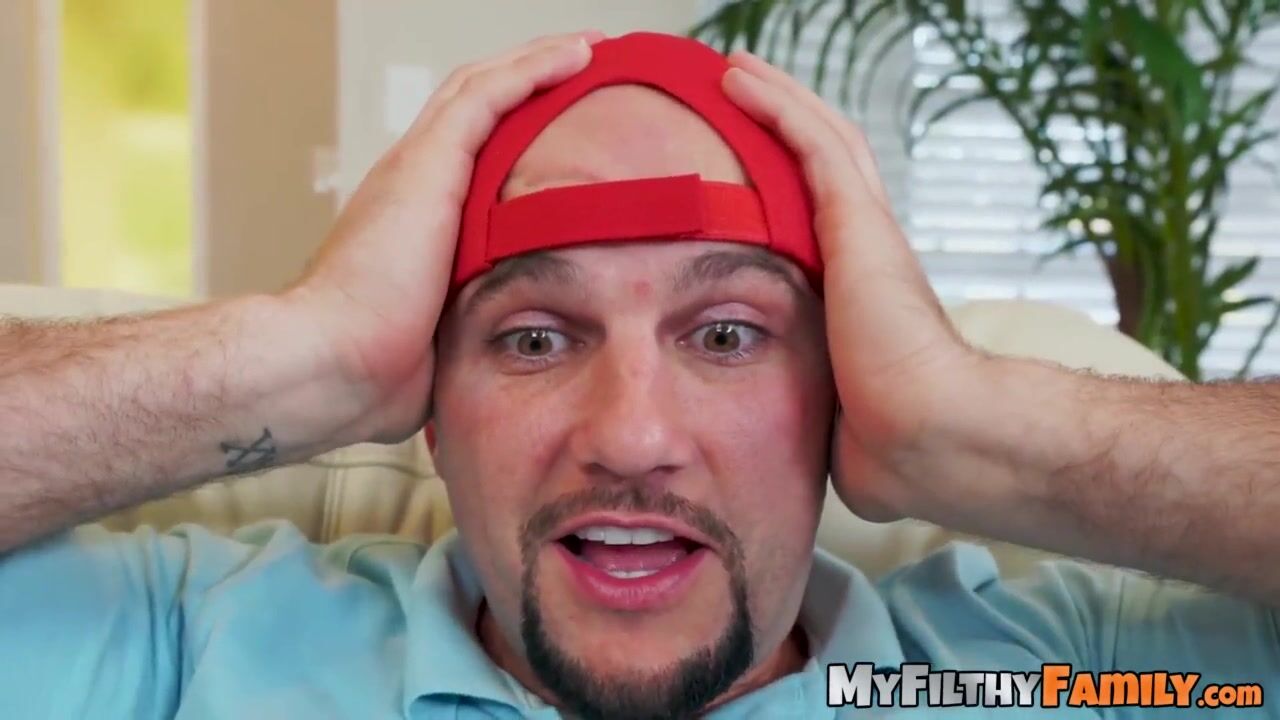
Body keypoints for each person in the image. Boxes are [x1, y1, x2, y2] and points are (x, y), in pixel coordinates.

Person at [0, 30, 1276, 719]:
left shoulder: (1072, 674)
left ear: (843, 393)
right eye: (532, 338)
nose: (630, 435)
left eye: (725, 335)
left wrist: (967, 424)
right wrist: (309, 347)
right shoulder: (188, 648)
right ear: (429, 413)